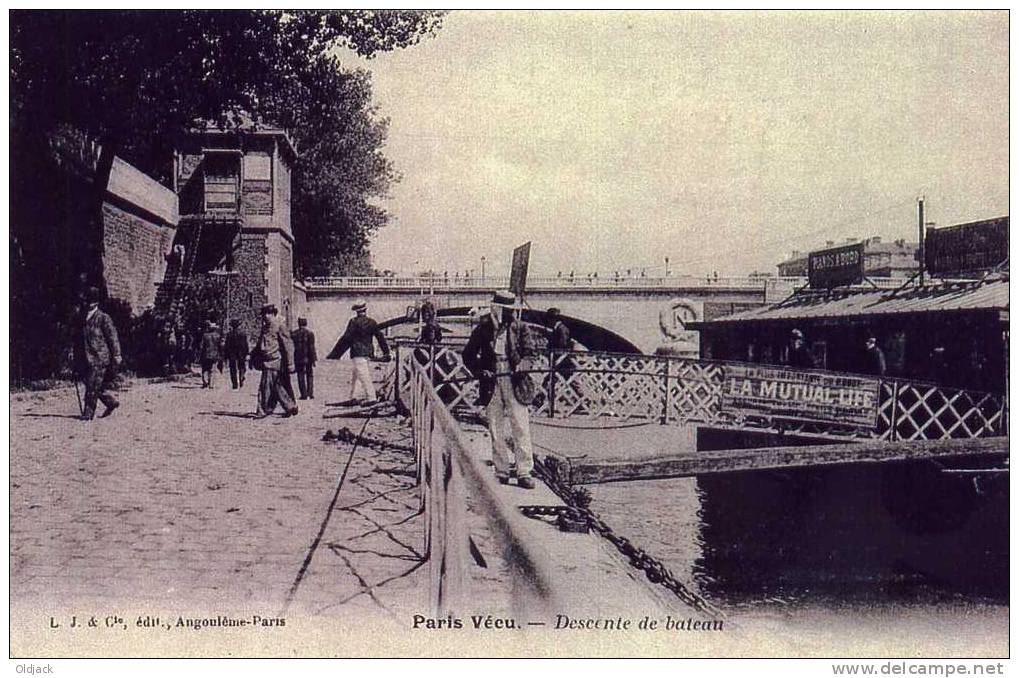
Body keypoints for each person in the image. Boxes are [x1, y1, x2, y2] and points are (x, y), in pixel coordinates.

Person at [462, 291, 538, 489]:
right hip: (492, 380)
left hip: (515, 380)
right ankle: (501, 470)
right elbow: (468, 354)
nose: (506, 313)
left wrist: (523, 365)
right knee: (495, 427)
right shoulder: (483, 329)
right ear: (495, 308)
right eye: (503, 309)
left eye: (509, 310)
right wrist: (481, 371)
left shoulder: (521, 328)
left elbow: (531, 354)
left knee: (520, 426)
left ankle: (524, 471)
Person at [76, 287, 122, 420]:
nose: (85, 303)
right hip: (85, 356)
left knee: (92, 385)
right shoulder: (82, 316)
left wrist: (117, 354)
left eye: (88, 301)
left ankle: (88, 413)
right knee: (94, 384)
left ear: (95, 303)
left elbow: (112, 337)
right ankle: (110, 402)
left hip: (100, 357)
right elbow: (78, 337)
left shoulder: (103, 318)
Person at [334, 300, 391, 405]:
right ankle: (354, 397)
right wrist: (386, 352)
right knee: (357, 374)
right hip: (368, 352)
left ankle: (371, 398)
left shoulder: (353, 322)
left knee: (363, 375)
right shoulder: (372, 322)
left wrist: (335, 354)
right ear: (365, 310)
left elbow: (346, 338)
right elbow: (380, 337)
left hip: (357, 352)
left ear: (356, 311)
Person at [252, 304, 298, 417]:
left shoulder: (279, 326)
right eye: (263, 314)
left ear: (273, 314)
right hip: (267, 361)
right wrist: (253, 356)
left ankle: (263, 410)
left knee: (266, 386)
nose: (265, 316)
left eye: (267, 314)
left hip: (275, 361)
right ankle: (290, 406)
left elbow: (288, 345)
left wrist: (291, 363)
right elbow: (260, 345)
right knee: (277, 386)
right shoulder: (265, 328)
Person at [291, 317, 317, 400]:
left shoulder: (294, 334)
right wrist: (314, 359)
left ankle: (303, 394)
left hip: (298, 357)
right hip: (308, 357)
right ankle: (310, 393)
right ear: (306, 323)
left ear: (299, 324)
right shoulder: (310, 333)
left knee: (300, 375)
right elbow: (312, 347)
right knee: (310, 375)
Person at [224, 318, 249, 389]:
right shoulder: (242, 333)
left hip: (232, 354)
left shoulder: (229, 334)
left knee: (232, 369)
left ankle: (234, 384)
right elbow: (245, 344)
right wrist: (247, 353)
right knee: (241, 367)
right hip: (241, 353)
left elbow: (227, 345)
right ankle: (241, 378)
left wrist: (226, 355)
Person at [199, 320, 221, 388]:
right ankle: (211, 383)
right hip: (214, 354)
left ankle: (205, 382)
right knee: (212, 369)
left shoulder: (205, 336)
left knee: (205, 368)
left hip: (205, 354)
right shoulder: (217, 336)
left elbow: (201, 346)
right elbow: (220, 346)